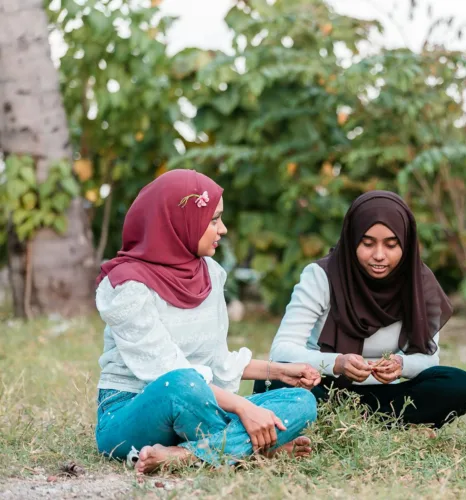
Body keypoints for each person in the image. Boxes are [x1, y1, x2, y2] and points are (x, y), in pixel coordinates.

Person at [94, 169, 321, 474]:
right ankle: (254, 449)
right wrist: (244, 406)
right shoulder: (126, 286)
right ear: (178, 220)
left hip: (197, 404)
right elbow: (169, 372)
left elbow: (215, 361)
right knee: (181, 384)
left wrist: (279, 370)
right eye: (213, 220)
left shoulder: (210, 273)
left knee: (301, 401)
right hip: (130, 413)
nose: (223, 229)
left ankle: (188, 455)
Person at [254, 191, 466, 428]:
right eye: (367, 243)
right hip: (324, 389)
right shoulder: (321, 276)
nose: (379, 256)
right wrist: (336, 363)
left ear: (407, 244)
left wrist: (401, 365)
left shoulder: (419, 283)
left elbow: (429, 359)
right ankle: (379, 423)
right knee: (271, 381)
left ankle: (347, 422)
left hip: (389, 396)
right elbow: (281, 351)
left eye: (391, 245)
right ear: (351, 240)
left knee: (457, 384)